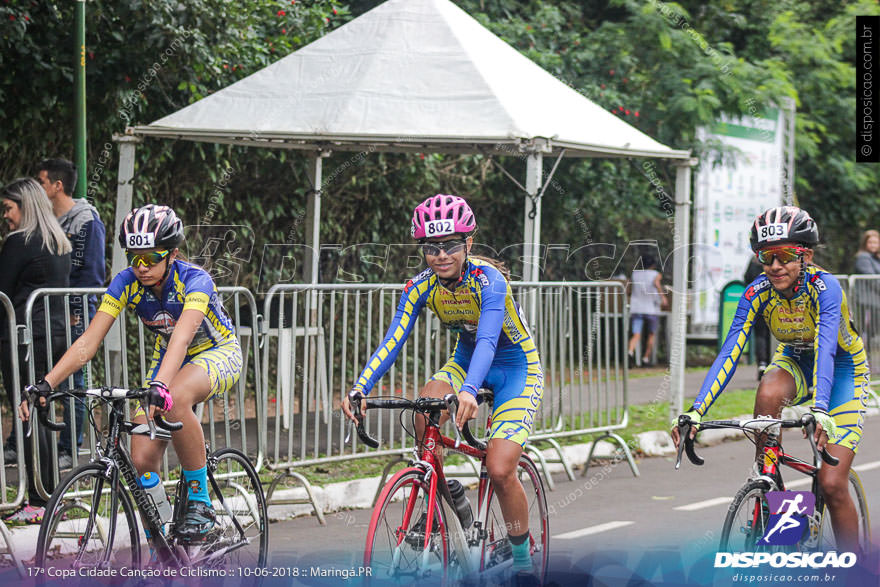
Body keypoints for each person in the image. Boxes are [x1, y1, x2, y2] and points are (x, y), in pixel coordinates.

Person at [341, 194, 544, 580]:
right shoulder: (419, 287)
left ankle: (522, 559)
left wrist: (469, 390)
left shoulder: (490, 280)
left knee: (500, 468)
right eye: (431, 247)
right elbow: (393, 340)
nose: (440, 254)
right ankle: (438, 495)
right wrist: (360, 386)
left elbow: (487, 340)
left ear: (468, 244)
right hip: (465, 363)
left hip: (516, 367)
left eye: (450, 244)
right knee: (425, 409)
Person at [19, 204, 243, 541]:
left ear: (173, 254)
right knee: (140, 458)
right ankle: (166, 533)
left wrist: (159, 385)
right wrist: (47, 383)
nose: (141, 267)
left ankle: (201, 504)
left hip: (215, 352)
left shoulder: (196, 280)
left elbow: (182, 340)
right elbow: (89, 340)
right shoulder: (125, 283)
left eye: (151, 257)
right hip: (168, 358)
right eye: (133, 257)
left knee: (175, 398)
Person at [672, 206, 870, 554]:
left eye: (784, 255)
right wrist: (696, 410)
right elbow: (730, 352)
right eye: (766, 256)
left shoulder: (826, 287)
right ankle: (775, 508)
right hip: (794, 359)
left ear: (805, 254)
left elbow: (826, 350)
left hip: (841, 369)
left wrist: (821, 407)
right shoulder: (757, 291)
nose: (774, 266)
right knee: (767, 393)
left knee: (831, 481)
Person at [0, 178, 71, 524]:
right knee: (41, 412)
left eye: (8, 208)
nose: (5, 216)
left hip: (25, 338)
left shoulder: (19, 243)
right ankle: (49, 496)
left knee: (28, 412)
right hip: (55, 336)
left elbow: (2, 291)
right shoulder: (59, 242)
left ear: (25, 207)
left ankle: (38, 501)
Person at [36, 158, 106, 469]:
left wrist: (77, 312)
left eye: (42, 182)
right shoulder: (50, 220)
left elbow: (91, 273)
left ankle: (70, 448)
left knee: (73, 381)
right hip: (53, 314)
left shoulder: (86, 220)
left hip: (75, 314)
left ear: (57, 186)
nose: (40, 188)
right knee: (52, 378)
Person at [627, 255, 667, 367]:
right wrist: (663, 297)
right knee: (651, 334)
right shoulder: (656, 274)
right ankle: (645, 358)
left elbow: (628, 290)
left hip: (636, 308)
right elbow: (656, 283)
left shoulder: (635, 274)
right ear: (653, 265)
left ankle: (630, 352)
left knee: (636, 334)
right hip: (651, 308)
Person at [744, 255, 771, 379]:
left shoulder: (754, 261)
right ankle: (772, 364)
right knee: (773, 334)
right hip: (773, 303)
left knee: (760, 334)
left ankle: (762, 363)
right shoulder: (775, 260)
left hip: (758, 303)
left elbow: (746, 279)